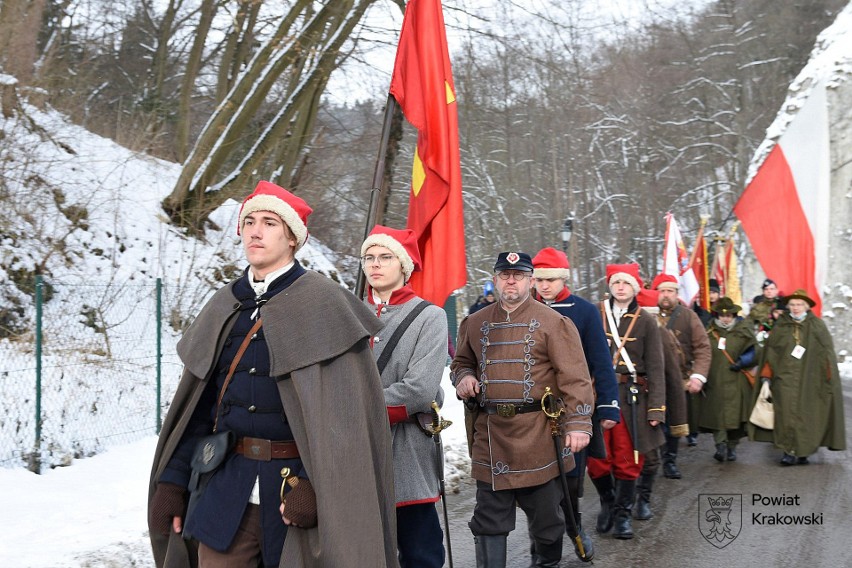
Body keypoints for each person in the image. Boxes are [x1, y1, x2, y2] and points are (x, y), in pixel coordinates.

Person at [147, 181, 398, 568]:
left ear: (292, 238)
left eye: (269, 222)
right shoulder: (226, 304)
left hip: (299, 494)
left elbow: (348, 423)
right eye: (248, 221)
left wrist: (318, 488)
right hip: (228, 489)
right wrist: (172, 480)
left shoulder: (325, 304)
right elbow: (200, 409)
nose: (255, 230)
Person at [452, 251, 594, 568]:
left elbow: (575, 377)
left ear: (530, 280)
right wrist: (464, 378)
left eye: (518, 275)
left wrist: (579, 423)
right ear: (495, 280)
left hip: (540, 436)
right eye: (504, 275)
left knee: (547, 522)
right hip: (490, 436)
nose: (511, 280)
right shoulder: (474, 323)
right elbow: (461, 363)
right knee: (488, 520)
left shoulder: (555, 322)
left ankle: (546, 562)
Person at [360, 225, 448, 568]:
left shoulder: (430, 316)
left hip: (406, 451)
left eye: (385, 257)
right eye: (369, 257)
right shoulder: (348, 312)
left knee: (419, 553)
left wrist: (353, 406)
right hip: (354, 448)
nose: (375, 264)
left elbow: (419, 390)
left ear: (403, 266)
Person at [529, 247, 621, 561]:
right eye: (539, 279)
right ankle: (539, 545)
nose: (544, 286)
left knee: (569, 479)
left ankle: (575, 528)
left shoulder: (583, 311)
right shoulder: (523, 308)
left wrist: (608, 404)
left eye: (551, 279)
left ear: (563, 278)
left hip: (572, 409)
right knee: (537, 482)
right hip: (532, 413)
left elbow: (600, 361)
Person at [587, 263, 665, 540]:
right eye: (616, 282)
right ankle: (608, 502)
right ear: (609, 285)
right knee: (597, 459)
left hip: (632, 398)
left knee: (628, 457)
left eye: (626, 283)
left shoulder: (646, 320)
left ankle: (623, 514)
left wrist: (656, 408)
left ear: (635, 288)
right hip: (597, 395)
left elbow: (656, 367)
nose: (621, 287)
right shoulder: (594, 312)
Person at [749, 289, 846, 465]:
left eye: (799, 304)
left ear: (806, 306)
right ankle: (788, 451)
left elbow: (827, 355)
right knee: (785, 413)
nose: (795, 308)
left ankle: (803, 450)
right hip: (784, 378)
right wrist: (767, 375)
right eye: (792, 304)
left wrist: (828, 379)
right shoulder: (780, 326)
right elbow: (770, 352)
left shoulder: (817, 326)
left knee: (806, 415)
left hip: (810, 380)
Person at [651, 274, 711, 477]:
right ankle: (650, 461)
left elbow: (702, 347)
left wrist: (698, 376)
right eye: (662, 291)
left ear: (677, 294)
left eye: (670, 291)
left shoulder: (688, 316)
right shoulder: (646, 314)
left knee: (673, 420)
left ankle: (669, 460)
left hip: (678, 379)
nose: (665, 295)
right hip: (649, 380)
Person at [698, 297, 758, 462]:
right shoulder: (708, 333)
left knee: (736, 419)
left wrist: (742, 362)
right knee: (718, 417)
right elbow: (700, 352)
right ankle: (720, 446)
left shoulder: (743, 331)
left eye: (729, 315)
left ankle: (732, 446)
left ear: (734, 315)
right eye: (722, 315)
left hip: (738, 382)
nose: (725, 318)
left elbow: (755, 352)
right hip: (715, 381)